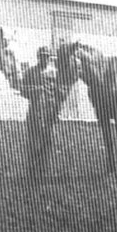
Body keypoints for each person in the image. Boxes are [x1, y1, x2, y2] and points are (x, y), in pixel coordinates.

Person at [20, 45, 74, 180]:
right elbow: (22, 89)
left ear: (50, 58)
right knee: (33, 141)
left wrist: (58, 101)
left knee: (47, 141)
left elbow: (61, 90)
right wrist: (34, 90)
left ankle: (42, 170)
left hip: (49, 111)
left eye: (47, 56)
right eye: (42, 56)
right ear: (38, 57)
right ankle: (31, 171)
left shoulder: (55, 73)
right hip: (35, 110)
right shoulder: (31, 71)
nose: (44, 59)